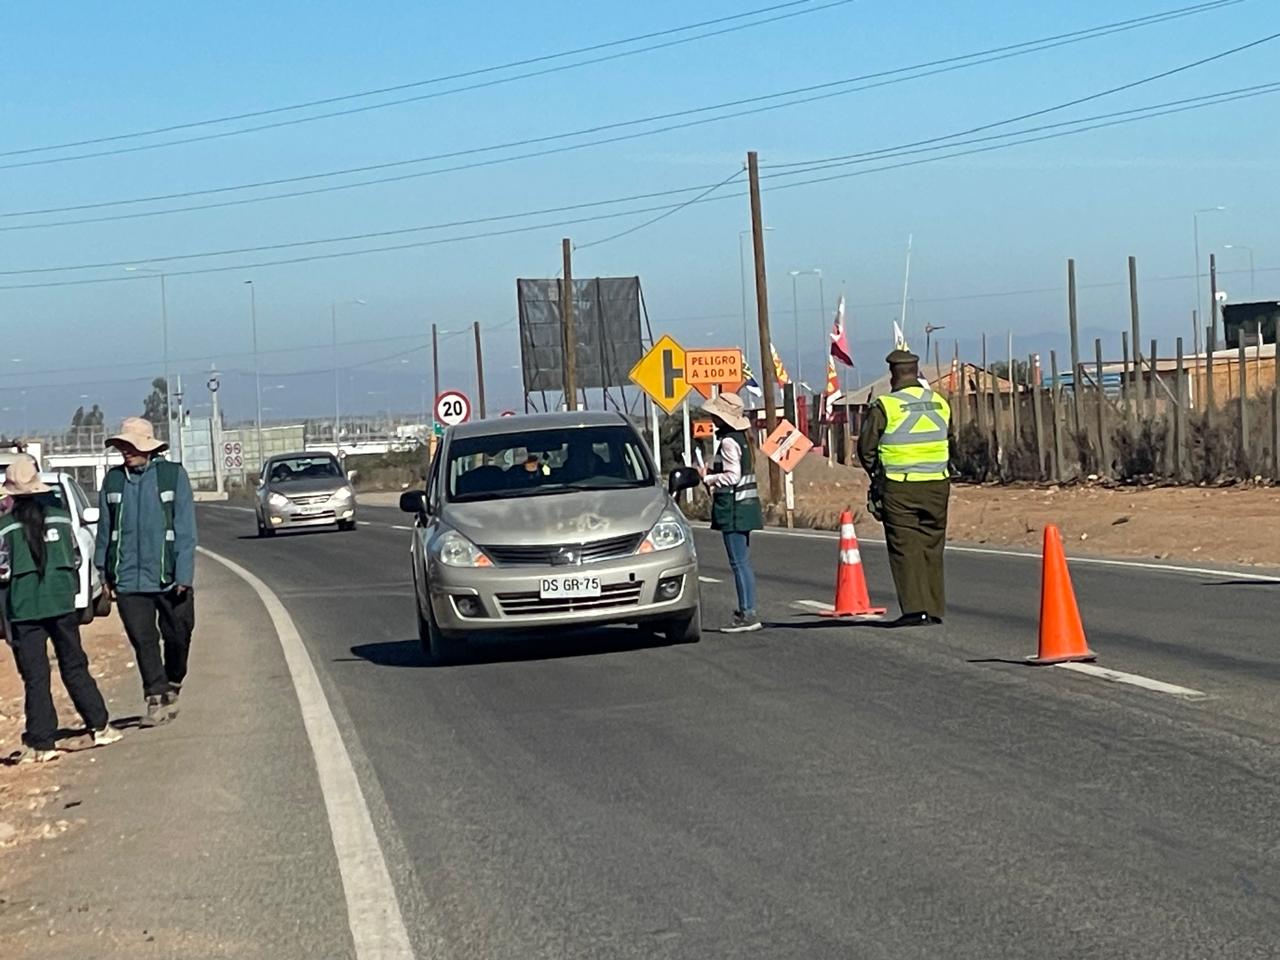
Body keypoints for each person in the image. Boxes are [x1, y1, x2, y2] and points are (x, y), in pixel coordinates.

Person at [1, 457, 121, 763]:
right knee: (74, 665)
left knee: (36, 675)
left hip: (26, 607)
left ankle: (42, 742)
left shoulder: (5, 526)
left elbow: (2, 571)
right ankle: (100, 725)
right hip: (61, 603)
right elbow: (77, 559)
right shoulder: (61, 516)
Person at [95, 418, 197, 728]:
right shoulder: (113, 481)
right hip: (127, 578)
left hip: (168, 575)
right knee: (144, 639)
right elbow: (104, 530)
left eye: (131, 446)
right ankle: (155, 697)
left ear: (148, 447)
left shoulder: (172, 476)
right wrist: (103, 572)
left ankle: (173, 680)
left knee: (178, 634)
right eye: (122, 446)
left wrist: (184, 575)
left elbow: (185, 529)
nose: (126, 451)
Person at [857, 349, 953, 628]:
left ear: (893, 375)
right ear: (917, 371)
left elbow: (866, 450)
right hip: (938, 484)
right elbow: (950, 440)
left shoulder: (886, 406)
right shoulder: (940, 403)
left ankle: (915, 609)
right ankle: (935, 608)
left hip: (900, 487)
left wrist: (878, 476)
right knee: (932, 545)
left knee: (904, 547)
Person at [699, 392, 764, 633]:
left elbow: (732, 476)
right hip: (745, 507)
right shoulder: (743, 439)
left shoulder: (728, 441)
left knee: (738, 563)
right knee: (743, 562)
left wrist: (708, 478)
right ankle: (748, 610)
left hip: (734, 508)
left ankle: (747, 613)